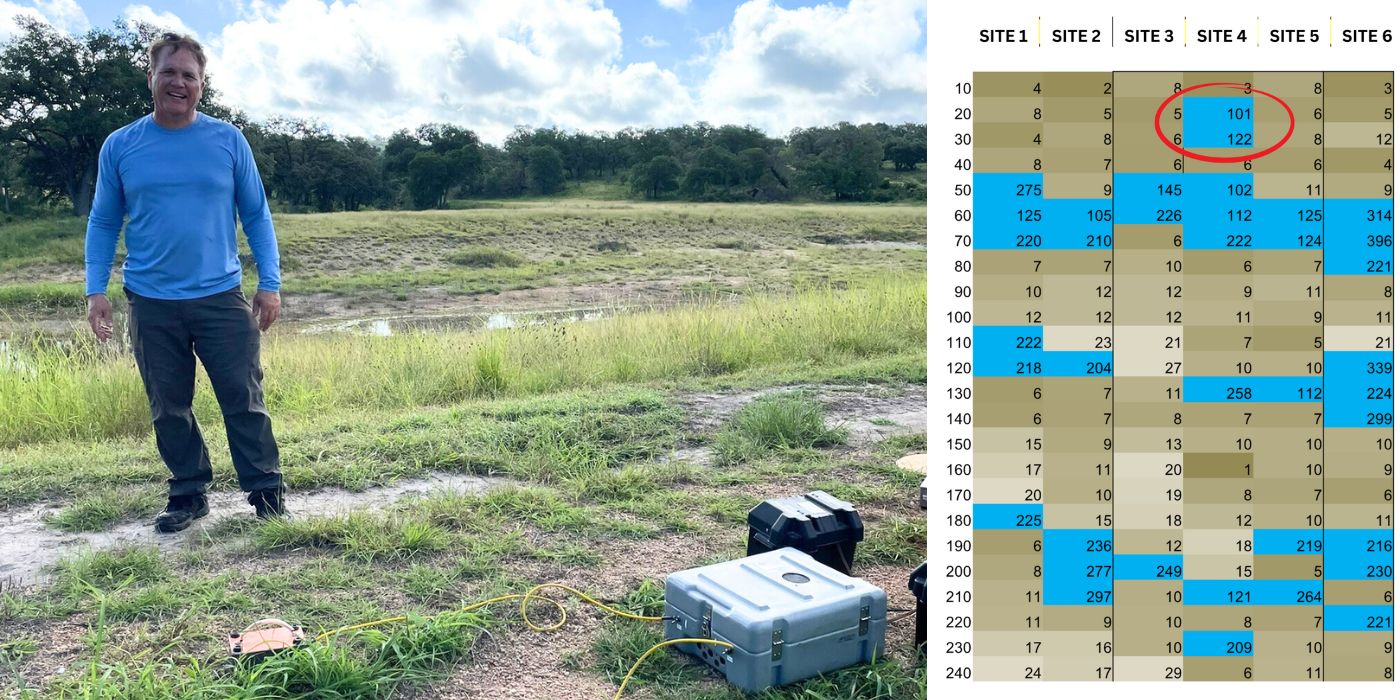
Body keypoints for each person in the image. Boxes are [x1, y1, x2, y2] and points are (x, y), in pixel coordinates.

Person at [84, 33, 288, 532]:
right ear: (150, 77)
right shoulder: (121, 145)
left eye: (189, 75)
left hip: (221, 295)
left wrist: (270, 282)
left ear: (202, 84)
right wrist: (96, 290)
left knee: (243, 396)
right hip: (151, 299)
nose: (179, 82)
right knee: (169, 405)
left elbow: (256, 215)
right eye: (168, 72)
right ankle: (188, 493)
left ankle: (265, 491)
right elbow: (104, 221)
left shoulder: (227, 140)